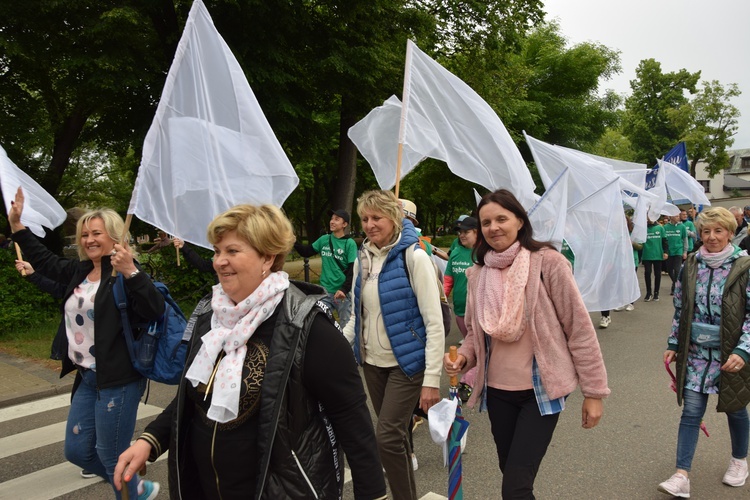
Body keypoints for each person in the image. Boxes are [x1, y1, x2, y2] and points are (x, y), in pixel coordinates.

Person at [114, 204, 386, 500]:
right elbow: (195, 394)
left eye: (232, 251)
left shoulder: (308, 328)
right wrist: (149, 441)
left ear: (267, 257)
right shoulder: (211, 316)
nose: (219, 262)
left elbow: (353, 424)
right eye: (217, 251)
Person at [443, 189, 609, 499]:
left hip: (540, 392)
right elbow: (474, 337)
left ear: (520, 220)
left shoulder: (548, 263)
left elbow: (580, 329)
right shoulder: (478, 274)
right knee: (513, 474)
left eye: (502, 219)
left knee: (515, 487)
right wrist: (464, 358)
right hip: (498, 394)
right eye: (486, 222)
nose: (494, 227)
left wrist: (594, 392)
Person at [8, 187, 164, 500]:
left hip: (118, 381)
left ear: (114, 237)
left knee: (110, 457)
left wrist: (132, 272)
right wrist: (17, 227)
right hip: (87, 377)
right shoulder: (81, 271)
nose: (89, 240)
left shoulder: (124, 273)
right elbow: (47, 262)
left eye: (96, 233)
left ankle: (130, 487)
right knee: (77, 451)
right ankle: (134, 482)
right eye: (84, 234)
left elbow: (154, 310)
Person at [343, 190, 444, 500]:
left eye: (377, 217)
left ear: (395, 218)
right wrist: (337, 345)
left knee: (385, 437)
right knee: (396, 437)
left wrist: (431, 380)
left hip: (407, 363)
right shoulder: (363, 258)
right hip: (372, 364)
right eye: (364, 219)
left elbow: (434, 323)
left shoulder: (414, 256)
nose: (369, 224)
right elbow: (356, 314)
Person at [659, 207, 750, 497]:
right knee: (692, 411)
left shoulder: (744, 266)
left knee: (735, 409)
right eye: (706, 231)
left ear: (730, 233)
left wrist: (744, 350)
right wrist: (674, 343)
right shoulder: (691, 265)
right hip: (696, 351)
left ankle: (739, 461)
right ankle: (681, 474)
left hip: (731, 352)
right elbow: (680, 308)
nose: (711, 237)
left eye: (718, 231)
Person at [293, 209, 357, 327]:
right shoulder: (324, 240)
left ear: (344, 224)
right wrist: (294, 242)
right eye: (332, 219)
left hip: (342, 294)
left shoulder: (349, 243)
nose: (332, 222)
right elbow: (306, 252)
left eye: (336, 219)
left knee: (347, 327)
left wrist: (344, 289)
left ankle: (347, 346)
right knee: (318, 323)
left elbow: (353, 270)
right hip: (325, 292)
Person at [444, 216, 479, 400]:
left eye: (466, 231)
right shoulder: (456, 252)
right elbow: (448, 280)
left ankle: (467, 382)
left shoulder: (483, 254)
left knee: (477, 349)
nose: (461, 235)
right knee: (471, 348)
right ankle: (479, 376)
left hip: (480, 313)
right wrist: (441, 299)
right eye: (460, 231)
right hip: (459, 311)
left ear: (477, 232)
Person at [643, 216, 668, 302]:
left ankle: (656, 292)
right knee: (647, 273)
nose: (649, 219)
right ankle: (648, 292)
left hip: (658, 254)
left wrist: (665, 252)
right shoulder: (643, 228)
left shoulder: (660, 228)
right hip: (647, 254)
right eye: (648, 217)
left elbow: (664, 240)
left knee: (657, 274)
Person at [664, 214, 688, 295]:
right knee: (670, 270)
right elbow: (663, 240)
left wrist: (685, 251)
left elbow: (685, 240)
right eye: (676, 216)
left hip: (678, 250)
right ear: (671, 217)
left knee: (677, 270)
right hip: (669, 251)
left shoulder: (682, 227)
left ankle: (675, 287)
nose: (678, 217)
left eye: (678, 216)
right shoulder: (665, 227)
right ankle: (675, 282)